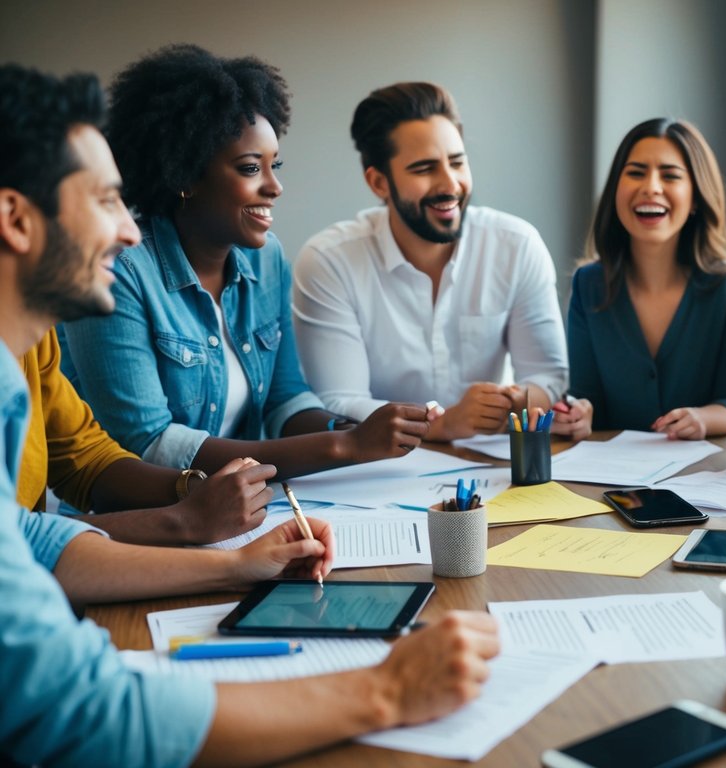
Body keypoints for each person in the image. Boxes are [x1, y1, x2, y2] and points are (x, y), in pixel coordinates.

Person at [0, 63, 498, 767]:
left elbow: (35, 535)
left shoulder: (28, 350)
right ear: (17, 220)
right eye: (106, 201)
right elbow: (81, 713)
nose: (129, 232)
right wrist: (385, 691)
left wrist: (235, 564)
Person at [60, 45, 432, 500]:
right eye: (251, 168)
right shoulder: (120, 273)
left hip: (248, 510)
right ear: (185, 175)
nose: (274, 187)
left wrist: (358, 428)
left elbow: (285, 400)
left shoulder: (265, 257)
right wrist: (344, 445)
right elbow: (148, 444)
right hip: (145, 523)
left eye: (274, 166)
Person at [292, 82, 567, 441]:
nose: (449, 184)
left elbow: (549, 375)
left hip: (491, 467)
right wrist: (441, 424)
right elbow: (337, 399)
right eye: (424, 169)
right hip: (374, 473)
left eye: (457, 162)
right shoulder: (329, 261)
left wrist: (517, 400)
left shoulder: (517, 245)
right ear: (379, 182)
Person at [558, 118, 726, 441]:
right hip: (607, 477)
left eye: (670, 176)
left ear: (695, 196)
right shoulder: (588, 284)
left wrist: (702, 418)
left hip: (703, 477)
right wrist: (579, 415)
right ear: (615, 190)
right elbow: (585, 395)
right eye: (636, 172)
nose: (650, 187)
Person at [22, 327, 272, 546]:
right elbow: (13, 537)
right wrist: (182, 521)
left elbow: (87, 460)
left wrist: (198, 490)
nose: (110, 269)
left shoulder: (31, 333)